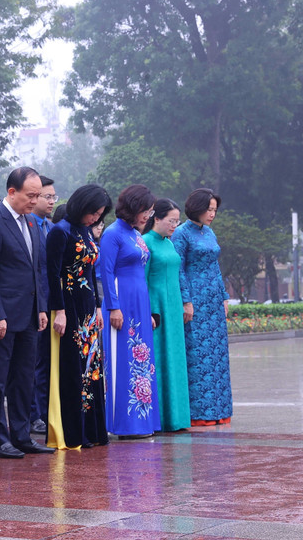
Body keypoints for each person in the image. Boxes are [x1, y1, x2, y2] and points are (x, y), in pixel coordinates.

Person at [0, 167, 52, 459]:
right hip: (4, 316)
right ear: (12, 192)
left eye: (39, 196)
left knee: (24, 377)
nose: (35, 201)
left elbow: (38, 269)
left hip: (30, 314)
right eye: (30, 195)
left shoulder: (33, 223)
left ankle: (21, 435)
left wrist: (42, 308)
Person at [44, 184, 110, 450]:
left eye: (100, 215)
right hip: (69, 307)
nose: (95, 219)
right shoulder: (60, 231)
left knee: (92, 368)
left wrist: (97, 307)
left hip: (87, 308)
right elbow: (53, 274)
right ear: (81, 206)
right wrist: (58, 311)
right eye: (93, 213)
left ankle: (92, 430)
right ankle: (74, 433)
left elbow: (91, 273)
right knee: (73, 368)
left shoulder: (85, 231)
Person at [99, 184, 160, 438]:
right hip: (121, 303)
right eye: (145, 210)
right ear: (133, 208)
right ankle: (124, 424)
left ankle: (143, 421)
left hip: (139, 302)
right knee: (122, 361)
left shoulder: (135, 234)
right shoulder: (112, 233)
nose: (149, 215)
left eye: (151, 211)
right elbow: (105, 272)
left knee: (142, 361)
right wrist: (114, 307)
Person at [173, 188, 232, 426]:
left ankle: (220, 411)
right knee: (198, 355)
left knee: (217, 356)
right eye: (209, 209)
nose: (212, 214)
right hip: (195, 302)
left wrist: (224, 296)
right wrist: (186, 300)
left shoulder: (209, 233)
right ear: (196, 207)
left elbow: (215, 267)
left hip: (213, 302)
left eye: (215, 210)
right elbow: (178, 269)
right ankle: (199, 414)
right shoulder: (181, 233)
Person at [142, 198, 191, 431]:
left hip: (174, 308)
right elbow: (141, 280)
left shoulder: (169, 243)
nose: (175, 225)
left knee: (175, 359)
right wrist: (148, 311)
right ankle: (159, 418)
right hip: (157, 308)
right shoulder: (145, 243)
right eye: (171, 221)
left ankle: (177, 417)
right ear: (156, 218)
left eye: (177, 221)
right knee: (159, 359)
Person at [29, 176, 57, 434]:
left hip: (51, 302)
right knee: (33, 362)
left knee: (47, 361)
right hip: (32, 303)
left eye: (52, 197)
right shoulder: (27, 225)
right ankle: (32, 414)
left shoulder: (51, 227)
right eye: (46, 196)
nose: (50, 201)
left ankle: (46, 410)